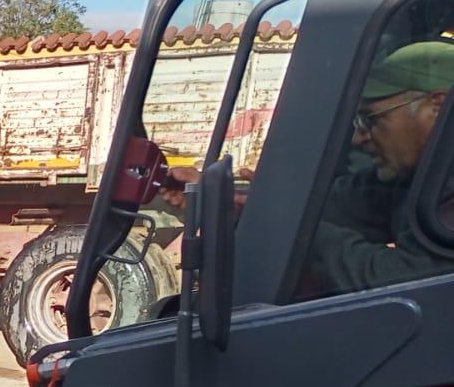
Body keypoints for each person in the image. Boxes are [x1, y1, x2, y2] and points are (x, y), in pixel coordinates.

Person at [163, 40, 454, 295]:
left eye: (372, 119)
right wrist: (240, 198)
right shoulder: (419, 179)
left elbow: (410, 284)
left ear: (437, 106)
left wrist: (292, 226)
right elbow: (336, 203)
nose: (359, 137)